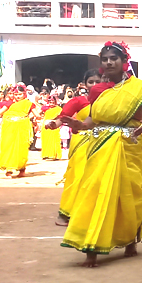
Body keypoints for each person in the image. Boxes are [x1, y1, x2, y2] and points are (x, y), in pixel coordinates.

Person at [58, 42, 142, 267]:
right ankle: (90, 246)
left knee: (128, 193)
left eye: (114, 58)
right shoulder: (97, 90)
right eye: (105, 59)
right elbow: (93, 119)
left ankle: (131, 239)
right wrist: (79, 124)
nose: (109, 62)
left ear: (124, 62)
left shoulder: (139, 88)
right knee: (94, 192)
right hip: (100, 146)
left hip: (127, 145)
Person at [49, 68, 105, 226]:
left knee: (100, 177)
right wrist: (55, 124)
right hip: (82, 143)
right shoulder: (79, 101)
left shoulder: (109, 100)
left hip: (103, 141)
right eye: (91, 82)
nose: (94, 84)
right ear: (84, 84)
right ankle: (66, 214)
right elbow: (63, 118)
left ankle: (93, 213)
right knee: (78, 176)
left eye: (97, 81)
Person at [0, 84, 39, 178]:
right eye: (16, 94)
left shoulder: (28, 104)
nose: (18, 96)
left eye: (20, 94)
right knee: (8, 147)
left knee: (21, 148)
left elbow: (37, 115)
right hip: (9, 128)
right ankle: (9, 169)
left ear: (24, 94)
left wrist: (29, 118)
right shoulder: (8, 104)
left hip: (22, 128)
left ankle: (22, 169)